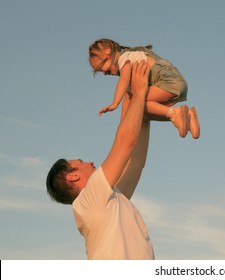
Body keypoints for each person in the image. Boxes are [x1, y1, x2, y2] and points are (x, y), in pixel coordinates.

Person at [46, 61, 155, 260]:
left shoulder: (108, 200)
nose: (90, 163)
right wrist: (139, 93)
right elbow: (126, 142)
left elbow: (135, 161)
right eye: (81, 162)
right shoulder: (88, 199)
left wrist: (133, 101)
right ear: (73, 176)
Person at [88, 38, 200, 139]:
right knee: (142, 112)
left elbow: (123, 80)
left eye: (101, 68)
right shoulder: (129, 60)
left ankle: (175, 113)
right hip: (175, 84)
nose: (103, 73)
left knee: (136, 103)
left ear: (107, 54)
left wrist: (115, 103)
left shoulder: (124, 58)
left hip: (168, 81)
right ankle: (187, 116)